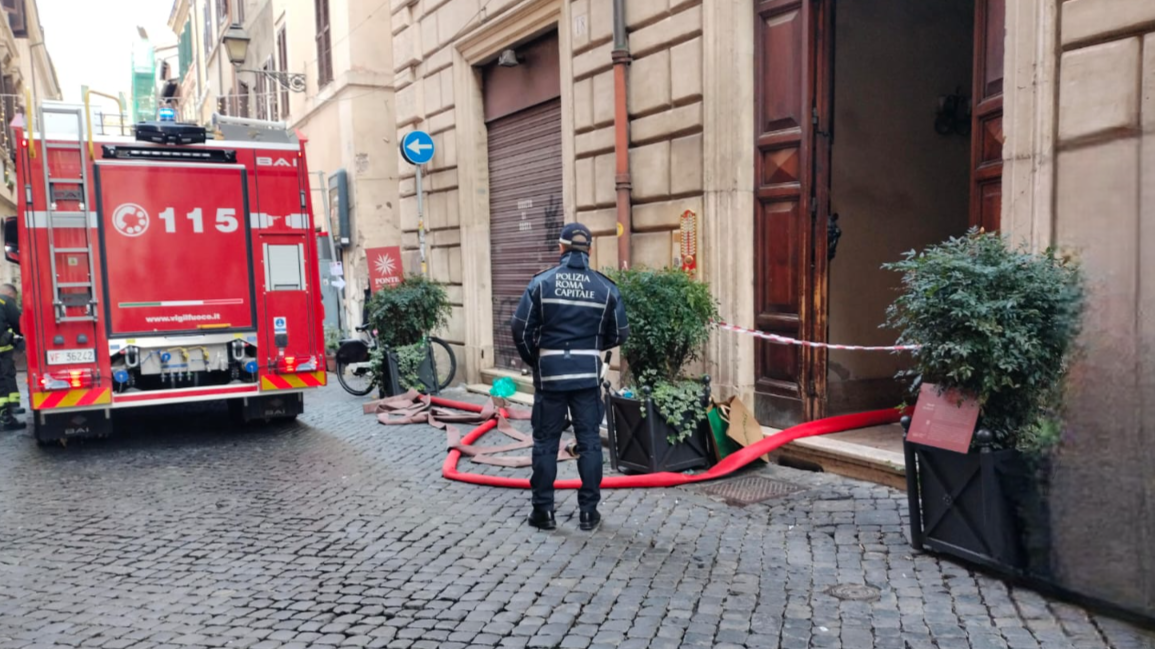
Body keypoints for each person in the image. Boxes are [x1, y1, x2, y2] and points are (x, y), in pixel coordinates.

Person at [511, 222, 628, 531]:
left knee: (546, 442)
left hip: (549, 378)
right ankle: (589, 513)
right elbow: (620, 333)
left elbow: (519, 328)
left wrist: (534, 359)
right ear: (589, 250)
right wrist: (590, 347)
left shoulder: (541, 284)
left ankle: (543, 511)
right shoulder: (605, 288)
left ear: (561, 248)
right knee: (589, 442)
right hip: (587, 379)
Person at [0, 283, 24, 430]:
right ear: (10, 294)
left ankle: (5, 415)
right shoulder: (5, 301)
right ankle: (8, 415)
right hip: (3, 350)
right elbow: (19, 323)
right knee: (6, 379)